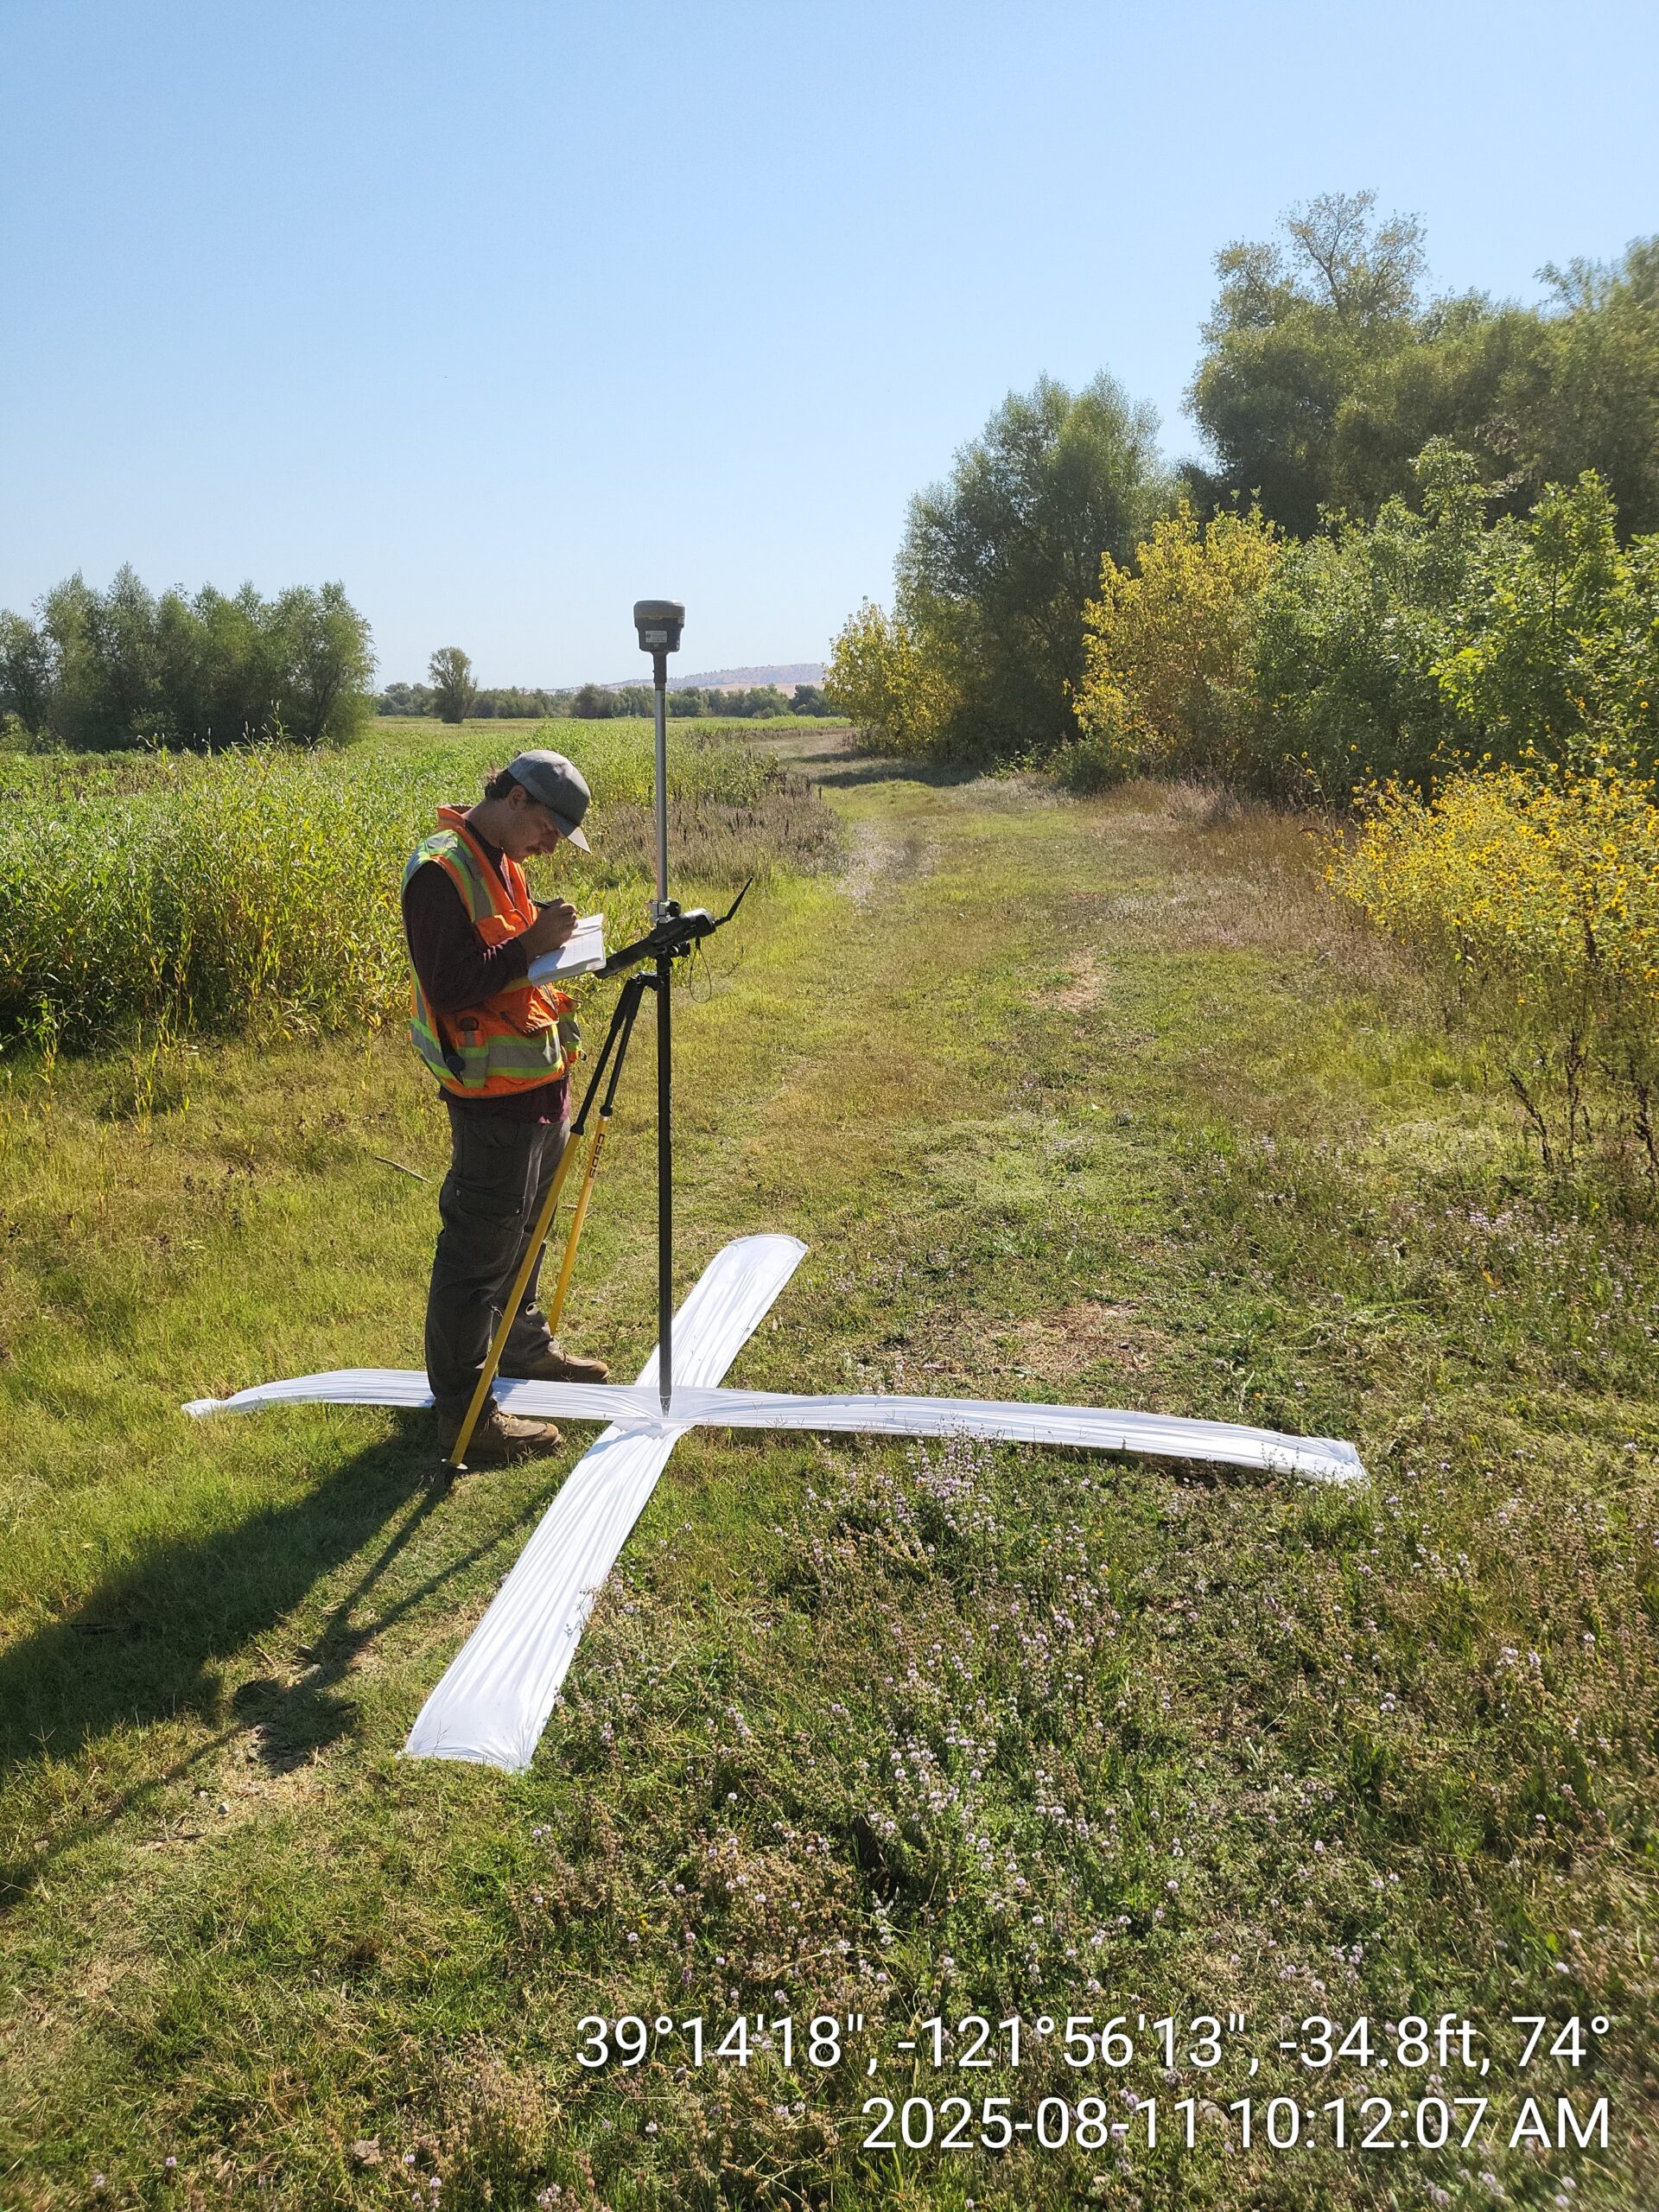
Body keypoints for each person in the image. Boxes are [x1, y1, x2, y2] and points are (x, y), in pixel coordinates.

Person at [402, 748, 611, 1465]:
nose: (549, 846)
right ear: (516, 798)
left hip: (540, 1084)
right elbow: (450, 983)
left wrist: (551, 939)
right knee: (476, 1255)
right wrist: (531, 945)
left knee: (528, 1231)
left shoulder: (502, 860)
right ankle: (465, 1416)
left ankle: (519, 1345)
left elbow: (510, 962)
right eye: (548, 829)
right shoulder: (440, 870)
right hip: (492, 1100)